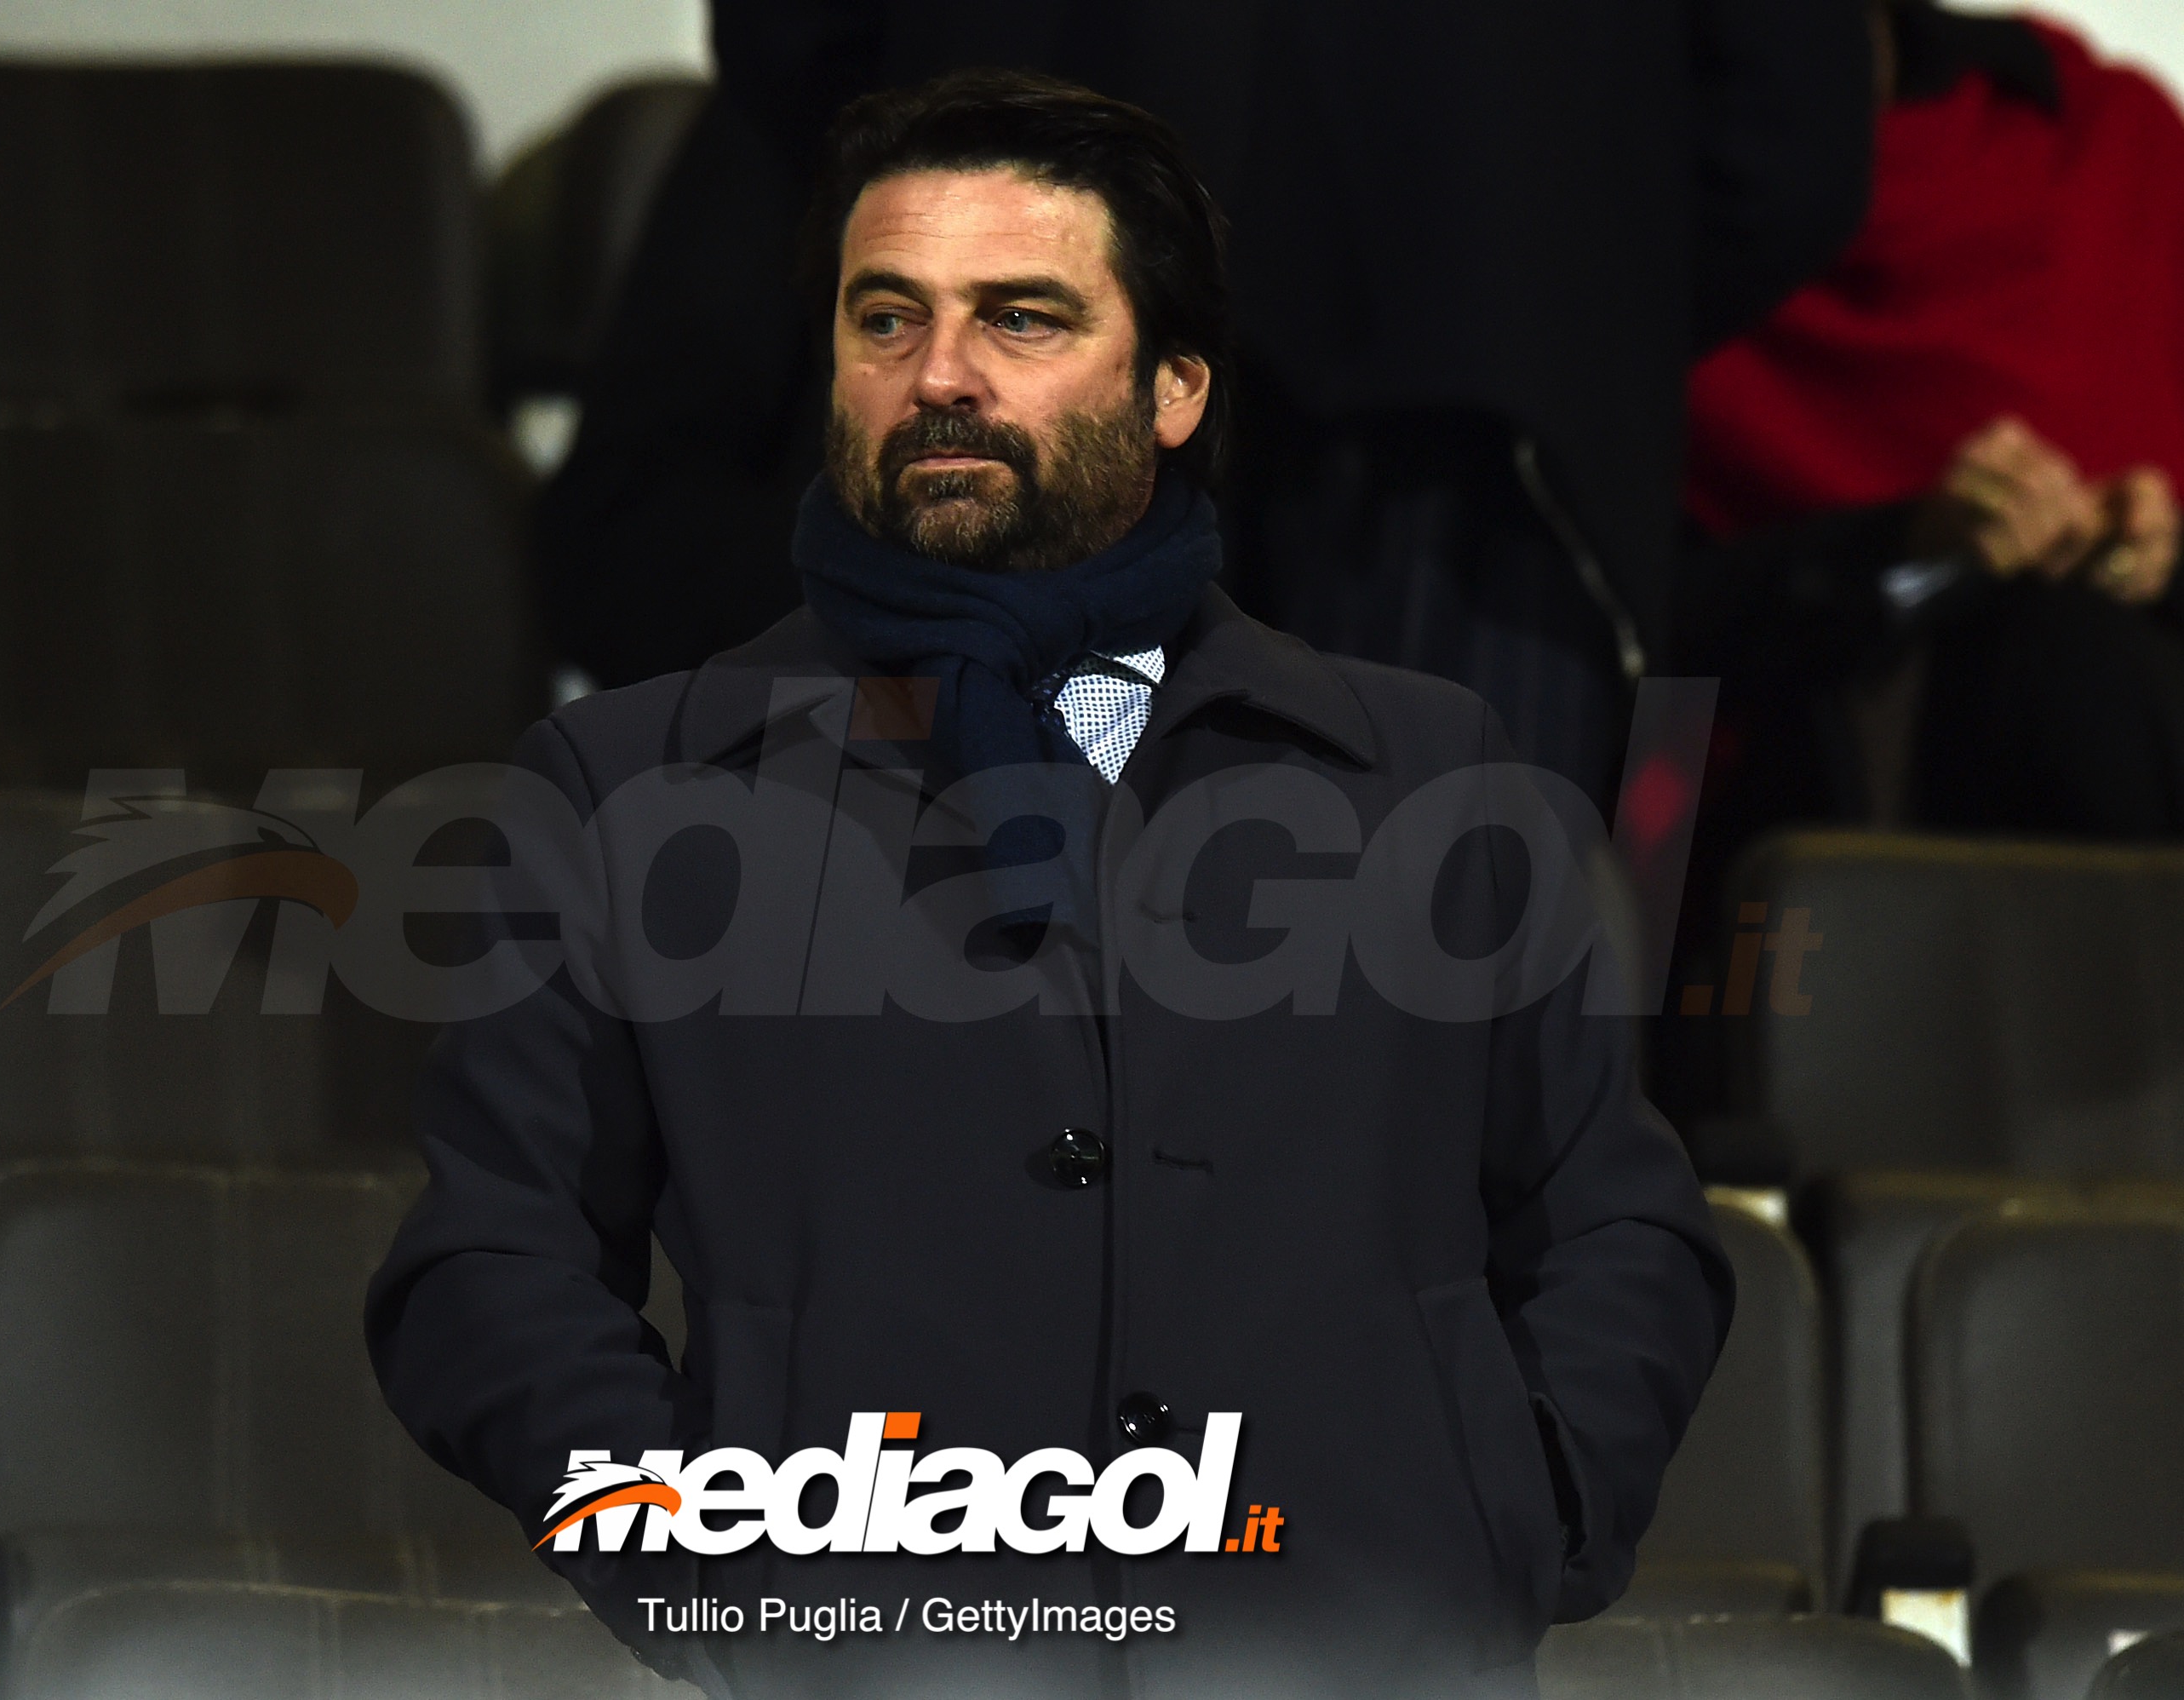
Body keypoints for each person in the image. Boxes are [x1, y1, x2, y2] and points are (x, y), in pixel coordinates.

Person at [370, 73, 1728, 1699]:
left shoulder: (1434, 773)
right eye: (888, 320)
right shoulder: (630, 790)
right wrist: (716, 1576)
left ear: (1172, 387)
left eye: (1020, 320)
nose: (939, 375)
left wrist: (1514, 1516)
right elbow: (487, 1271)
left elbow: (1623, 1226)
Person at [538, 0, 1875, 808]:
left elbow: (799, 53)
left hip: (1054, 338)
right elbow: (1791, 144)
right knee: (1441, 1058)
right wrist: (1561, 303)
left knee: (999, 1059)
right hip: (1476, 425)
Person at [1682, 0, 2184, 838]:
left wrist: (2155, 553)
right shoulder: (1634, 224)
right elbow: (1638, 645)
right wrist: (1909, 551)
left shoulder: (2108, 137)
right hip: (1791, 853)